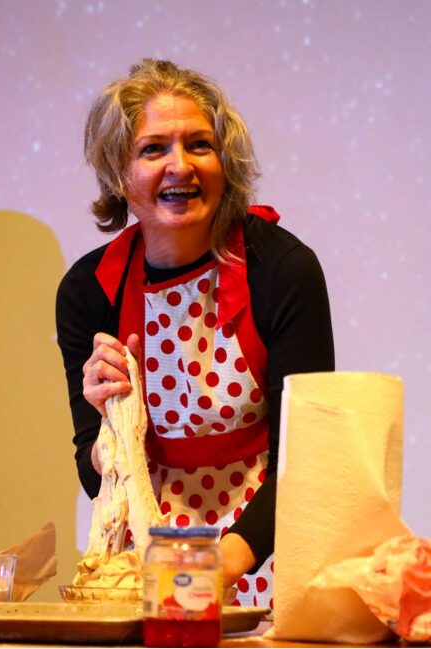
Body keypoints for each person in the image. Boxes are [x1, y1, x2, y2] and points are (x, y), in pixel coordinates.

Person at [56, 60, 334, 607]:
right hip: (142, 566)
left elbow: (307, 462)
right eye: (153, 149)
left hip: (268, 557)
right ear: (118, 172)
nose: (180, 166)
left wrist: (212, 568)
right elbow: (92, 466)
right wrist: (108, 428)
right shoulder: (90, 289)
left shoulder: (282, 270)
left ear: (225, 162)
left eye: (199, 145)